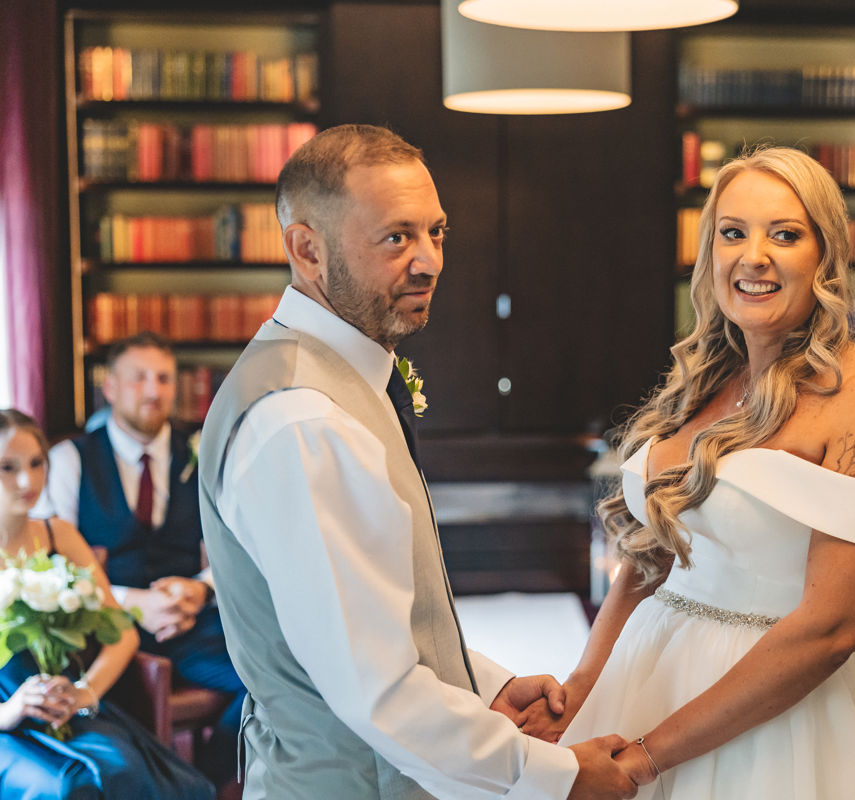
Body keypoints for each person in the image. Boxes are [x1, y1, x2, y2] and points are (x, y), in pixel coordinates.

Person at [197, 124, 636, 800]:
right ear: (307, 250)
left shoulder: (331, 380)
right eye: (396, 238)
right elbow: (379, 690)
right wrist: (561, 779)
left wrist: (483, 686)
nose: (430, 261)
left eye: (436, 232)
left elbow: (378, 624)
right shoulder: (304, 421)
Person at [521, 146, 855, 798]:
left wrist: (647, 758)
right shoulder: (703, 381)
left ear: (827, 254)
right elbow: (653, 555)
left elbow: (833, 630)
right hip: (648, 677)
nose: (754, 256)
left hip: (782, 721)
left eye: (785, 234)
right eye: (733, 233)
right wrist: (585, 684)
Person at [35, 331, 246, 786]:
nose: (154, 391)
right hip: (103, 631)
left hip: (190, 626)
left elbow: (236, 545)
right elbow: (52, 568)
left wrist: (201, 588)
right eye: (139, 378)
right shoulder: (70, 459)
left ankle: (203, 783)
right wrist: (132, 603)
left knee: (269, 674)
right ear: (110, 387)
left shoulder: (204, 450)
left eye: (164, 379)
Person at [0, 408, 214, 798]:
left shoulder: (58, 535)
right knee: (67, 785)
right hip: (6, 721)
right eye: (8, 468)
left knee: (123, 770)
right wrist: (8, 712)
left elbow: (122, 631)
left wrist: (86, 692)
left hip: (65, 704)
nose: (27, 480)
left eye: (35, 463)